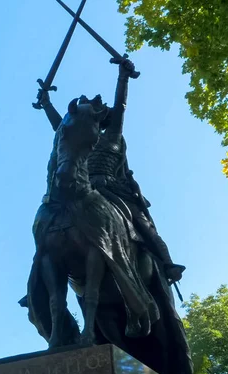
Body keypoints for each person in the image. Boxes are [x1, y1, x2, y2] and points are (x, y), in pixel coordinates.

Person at [37, 57, 185, 284]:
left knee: (142, 223)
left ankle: (167, 263)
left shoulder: (112, 134)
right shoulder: (79, 135)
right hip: (80, 188)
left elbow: (121, 106)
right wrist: (47, 103)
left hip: (112, 190)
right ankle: (42, 273)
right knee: (50, 219)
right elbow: (60, 127)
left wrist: (123, 77)